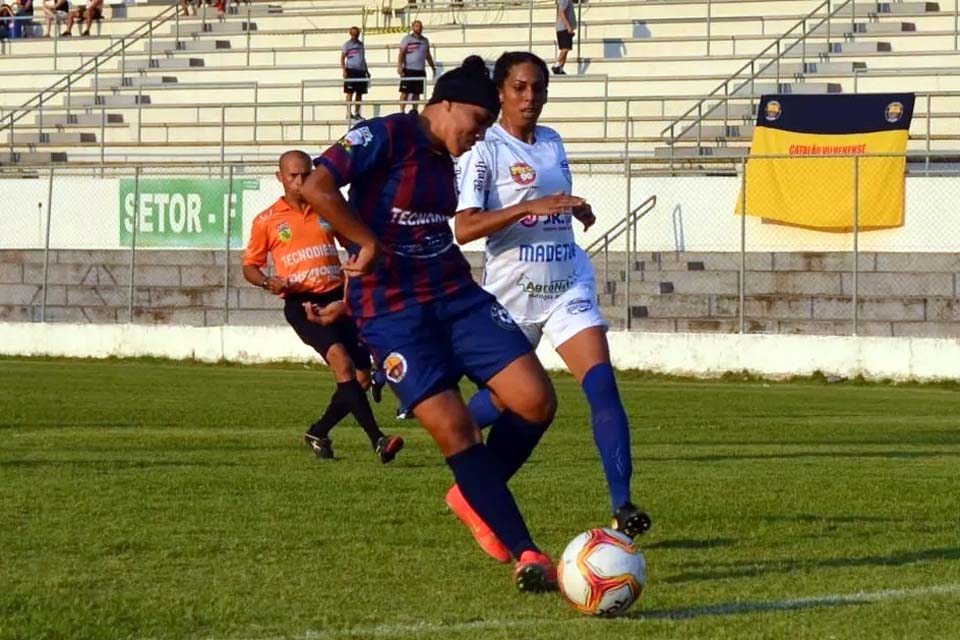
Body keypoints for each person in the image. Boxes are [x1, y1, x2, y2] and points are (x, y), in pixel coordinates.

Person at [301, 56, 580, 592]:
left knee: (537, 400)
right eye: (476, 121)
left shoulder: (445, 155)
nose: (479, 135)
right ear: (445, 104)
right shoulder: (387, 134)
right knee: (456, 429)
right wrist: (365, 240)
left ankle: (474, 497)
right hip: (391, 312)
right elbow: (316, 185)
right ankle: (526, 551)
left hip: (455, 294)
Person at [454, 51, 652, 538]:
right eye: (520, 88)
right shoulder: (485, 149)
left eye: (538, 88)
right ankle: (455, 426)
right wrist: (531, 207)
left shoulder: (552, 141)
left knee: (602, 385)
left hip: (567, 283)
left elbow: (551, 204)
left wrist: (571, 211)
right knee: (505, 402)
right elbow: (465, 227)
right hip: (512, 294)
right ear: (500, 91)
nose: (530, 98)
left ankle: (623, 505)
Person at [242, 150, 404, 465]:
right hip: (302, 304)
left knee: (360, 379)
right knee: (342, 365)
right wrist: (266, 282)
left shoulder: (327, 208)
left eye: (305, 174)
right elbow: (250, 265)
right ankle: (378, 440)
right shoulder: (267, 220)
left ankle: (319, 431)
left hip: (338, 301)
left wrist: (358, 266)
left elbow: (353, 244)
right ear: (280, 178)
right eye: (292, 175)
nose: (300, 181)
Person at [396, 20, 435, 114]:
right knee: (405, 92)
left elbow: (428, 55)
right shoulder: (407, 39)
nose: (419, 28)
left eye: (420, 26)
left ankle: (414, 110)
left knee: (417, 92)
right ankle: (402, 111)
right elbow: (401, 53)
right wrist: (399, 66)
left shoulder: (425, 41)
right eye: (417, 26)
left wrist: (432, 67)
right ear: (413, 27)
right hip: (409, 70)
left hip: (420, 70)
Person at [341, 26, 369, 122]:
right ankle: (348, 113)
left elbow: (363, 58)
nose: (355, 35)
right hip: (351, 70)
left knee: (359, 93)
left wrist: (367, 70)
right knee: (350, 92)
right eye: (353, 33)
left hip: (361, 71)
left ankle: (357, 113)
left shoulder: (361, 44)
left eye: (356, 33)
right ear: (350, 34)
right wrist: (344, 70)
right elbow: (342, 58)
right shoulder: (347, 45)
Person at [552, 0, 575, 75]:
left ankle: (560, 68)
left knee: (567, 49)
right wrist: (568, 26)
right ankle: (556, 64)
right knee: (564, 49)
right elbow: (561, 12)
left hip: (566, 28)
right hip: (563, 28)